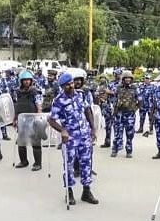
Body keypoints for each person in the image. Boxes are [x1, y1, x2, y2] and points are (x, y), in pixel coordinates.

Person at [48, 72, 99, 205]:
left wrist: (93, 129)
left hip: (84, 136)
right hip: (70, 138)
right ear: (62, 87)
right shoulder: (59, 101)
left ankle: (86, 192)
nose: (71, 86)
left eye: (71, 83)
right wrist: (62, 130)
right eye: (67, 85)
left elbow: (88, 111)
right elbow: (51, 120)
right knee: (69, 165)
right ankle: (69, 193)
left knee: (86, 163)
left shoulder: (81, 95)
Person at [14, 70, 43, 171]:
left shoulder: (35, 91)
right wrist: (15, 118)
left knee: (35, 142)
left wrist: (39, 118)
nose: (26, 82)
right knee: (21, 142)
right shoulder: (18, 92)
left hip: (33, 120)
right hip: (22, 120)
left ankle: (38, 163)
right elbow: (17, 106)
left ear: (31, 81)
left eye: (28, 80)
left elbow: (39, 105)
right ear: (21, 81)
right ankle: (23, 161)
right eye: (24, 80)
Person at [111, 71, 140, 158]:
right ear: (123, 79)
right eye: (126, 78)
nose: (128, 79)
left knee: (130, 134)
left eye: (129, 78)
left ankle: (129, 151)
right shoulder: (118, 87)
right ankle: (114, 150)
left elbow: (140, 100)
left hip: (130, 114)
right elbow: (114, 98)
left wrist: (135, 109)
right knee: (117, 133)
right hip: (119, 113)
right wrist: (114, 110)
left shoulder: (135, 88)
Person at [101, 68, 122, 148]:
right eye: (116, 74)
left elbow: (119, 93)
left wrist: (110, 92)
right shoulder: (111, 83)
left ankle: (117, 144)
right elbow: (106, 93)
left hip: (118, 107)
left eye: (118, 74)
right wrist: (103, 99)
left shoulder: (122, 84)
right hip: (109, 106)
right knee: (108, 126)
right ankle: (107, 142)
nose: (117, 76)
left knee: (117, 126)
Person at [0, 66, 11, 141]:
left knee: (2, 119)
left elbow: (6, 89)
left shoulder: (3, 80)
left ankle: (4, 134)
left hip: (1, 101)